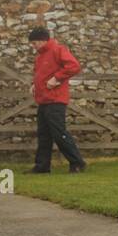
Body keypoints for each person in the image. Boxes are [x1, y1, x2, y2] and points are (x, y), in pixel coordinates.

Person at [28, 27, 86, 174]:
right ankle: (42, 167)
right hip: (43, 101)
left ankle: (77, 163)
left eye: (34, 43)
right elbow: (41, 74)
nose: (32, 46)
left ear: (42, 40)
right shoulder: (40, 56)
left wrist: (57, 78)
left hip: (55, 100)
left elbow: (74, 66)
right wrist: (34, 85)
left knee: (59, 134)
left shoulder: (58, 50)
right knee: (44, 135)